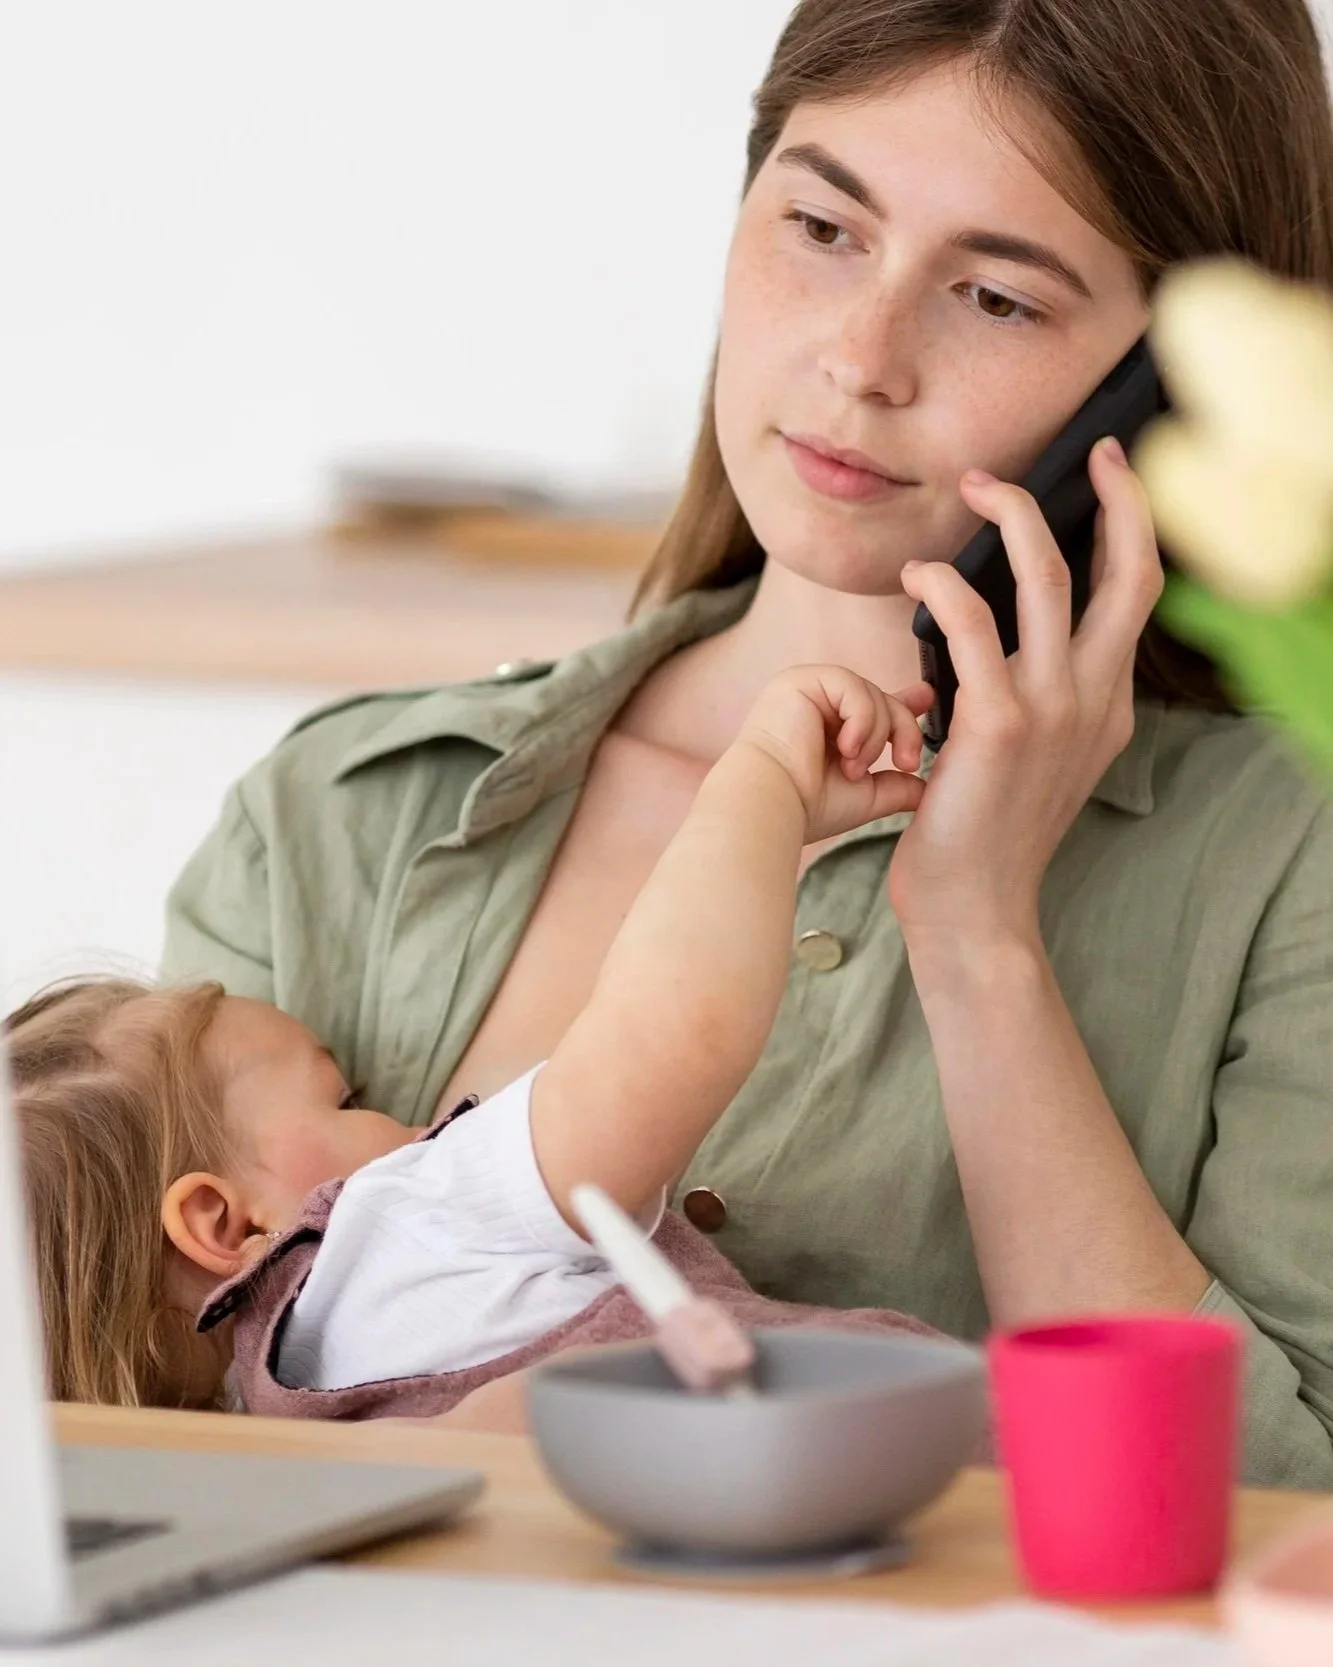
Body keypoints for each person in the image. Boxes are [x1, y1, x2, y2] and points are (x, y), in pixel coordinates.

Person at [160, 0, 1333, 1484]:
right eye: (823, 228)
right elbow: (131, 1429)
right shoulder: (337, 817)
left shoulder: (1292, 857)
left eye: (997, 298)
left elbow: (1276, 1512)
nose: (859, 359)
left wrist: (976, 938)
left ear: (1167, 389)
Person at [11, 668, 942, 1414]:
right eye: (343, 1100)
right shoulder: (397, 1220)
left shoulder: (269, 1422)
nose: (410, 1118)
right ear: (229, 1225)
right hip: (931, 1461)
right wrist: (763, 787)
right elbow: (670, 1035)